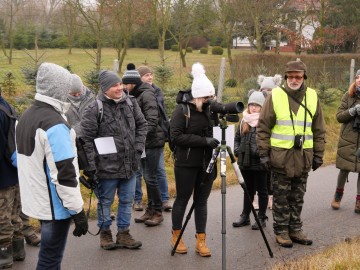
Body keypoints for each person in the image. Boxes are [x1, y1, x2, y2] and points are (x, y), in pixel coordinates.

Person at [16, 62, 88, 269]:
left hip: (37, 198)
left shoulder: (27, 116)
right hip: (56, 205)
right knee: (50, 260)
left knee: (49, 258)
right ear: (59, 88)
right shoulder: (54, 124)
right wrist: (77, 210)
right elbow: (64, 174)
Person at [256, 60, 326, 248]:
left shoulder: (312, 96)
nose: (294, 80)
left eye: (298, 76)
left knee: (297, 196)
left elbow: (319, 129)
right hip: (280, 157)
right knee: (281, 197)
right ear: (286, 77)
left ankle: (295, 229)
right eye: (291, 76)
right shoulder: (276, 95)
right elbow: (263, 127)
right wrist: (263, 153)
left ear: (304, 77)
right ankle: (281, 231)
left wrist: (319, 154)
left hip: (303, 157)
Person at [81, 70, 147, 250]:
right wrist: (91, 167)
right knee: (105, 201)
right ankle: (105, 234)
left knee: (127, 200)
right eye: (114, 85)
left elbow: (142, 125)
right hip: (106, 167)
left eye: (119, 84)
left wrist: (138, 148)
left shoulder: (131, 103)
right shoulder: (94, 108)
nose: (119, 88)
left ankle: (124, 234)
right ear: (104, 89)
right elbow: (86, 139)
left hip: (130, 164)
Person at [170, 62, 219, 257]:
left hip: (207, 162)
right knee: (182, 199)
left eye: (212, 97)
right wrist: (204, 141)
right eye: (207, 97)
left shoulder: (211, 110)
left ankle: (201, 240)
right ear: (198, 96)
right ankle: (176, 235)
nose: (210, 100)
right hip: (186, 163)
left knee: (201, 202)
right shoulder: (182, 111)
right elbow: (175, 136)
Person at [122, 64, 165, 227]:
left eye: (126, 84)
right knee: (147, 177)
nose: (124, 87)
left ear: (132, 83)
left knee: (151, 177)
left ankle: (158, 211)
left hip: (153, 142)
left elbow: (152, 121)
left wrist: (138, 137)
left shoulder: (146, 94)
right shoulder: (135, 94)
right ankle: (150, 209)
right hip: (143, 143)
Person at [133, 65, 171, 212]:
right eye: (146, 75)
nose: (150, 77)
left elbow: (158, 116)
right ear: (139, 78)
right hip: (141, 139)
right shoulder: (136, 94)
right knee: (138, 172)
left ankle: (164, 199)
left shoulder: (156, 92)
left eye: (151, 74)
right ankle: (138, 200)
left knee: (158, 170)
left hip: (155, 138)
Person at [232, 90, 268, 230]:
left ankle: (261, 217)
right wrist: (237, 150)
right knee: (248, 190)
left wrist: (259, 152)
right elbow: (237, 138)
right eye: (251, 104)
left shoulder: (265, 121)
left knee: (262, 190)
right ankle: (245, 216)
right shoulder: (244, 121)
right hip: (245, 162)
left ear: (262, 107)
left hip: (260, 163)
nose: (253, 107)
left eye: (257, 105)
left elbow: (267, 141)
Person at [0, 86, 25, 269]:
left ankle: (4, 254)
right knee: (15, 214)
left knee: (2, 216)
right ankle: (18, 250)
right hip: (15, 170)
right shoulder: (7, 107)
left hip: (3, 174)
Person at [331, 69, 360, 214]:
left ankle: (359, 202)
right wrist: (352, 111)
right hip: (348, 138)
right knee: (344, 168)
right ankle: (337, 196)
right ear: (355, 79)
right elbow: (339, 117)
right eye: (358, 77)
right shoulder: (348, 96)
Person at [257, 74, 282, 210]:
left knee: (273, 176)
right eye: (263, 90)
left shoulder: (279, 104)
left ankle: (273, 198)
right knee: (262, 175)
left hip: (277, 146)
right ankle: (261, 198)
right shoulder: (257, 104)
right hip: (262, 145)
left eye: (269, 89)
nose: (266, 92)